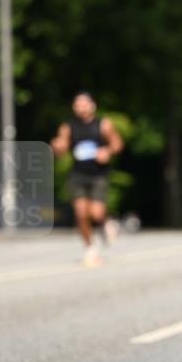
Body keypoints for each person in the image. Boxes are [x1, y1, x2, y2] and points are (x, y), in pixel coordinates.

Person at [51, 92, 123, 266]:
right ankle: (90, 248)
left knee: (96, 213)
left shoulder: (103, 124)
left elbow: (117, 144)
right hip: (78, 175)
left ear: (92, 106)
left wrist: (107, 151)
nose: (80, 108)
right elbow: (61, 146)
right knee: (81, 213)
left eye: (84, 104)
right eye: (77, 105)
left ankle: (106, 222)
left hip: (98, 174)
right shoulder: (68, 127)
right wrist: (57, 147)